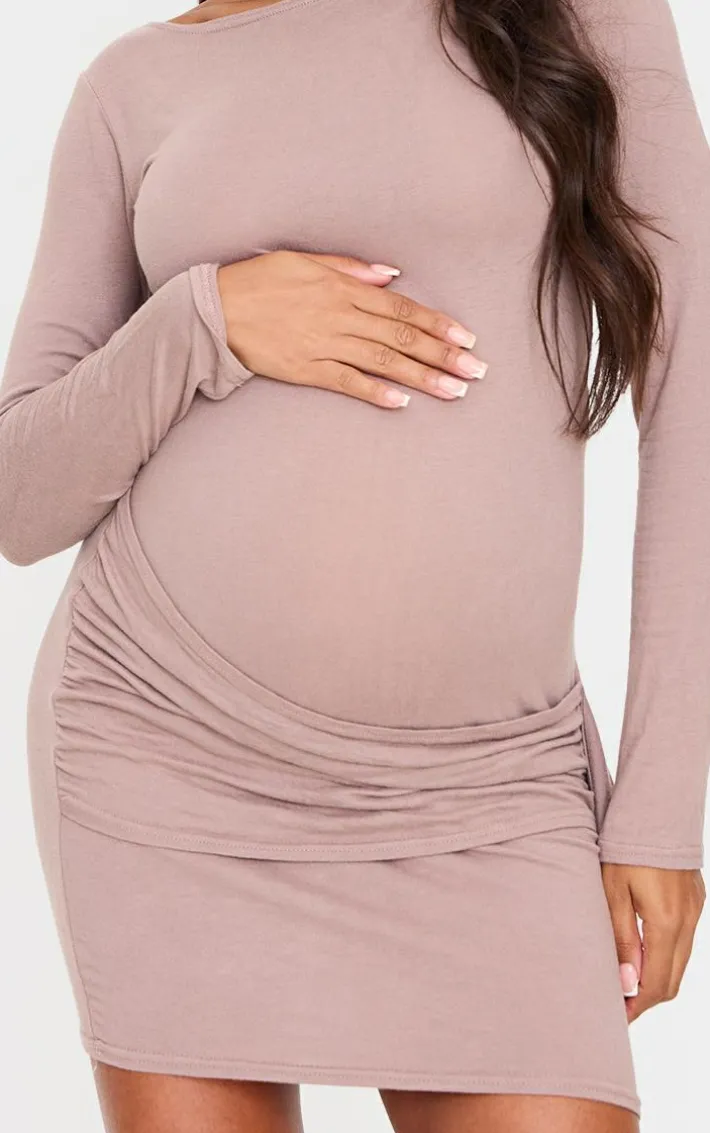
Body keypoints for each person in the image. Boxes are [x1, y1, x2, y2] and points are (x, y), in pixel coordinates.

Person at [1, 0, 708, 1129]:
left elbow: (694, 397)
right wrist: (205, 319)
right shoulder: (132, 84)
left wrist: (661, 815)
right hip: (165, 750)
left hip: (493, 789)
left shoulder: (577, 13)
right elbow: (20, 498)